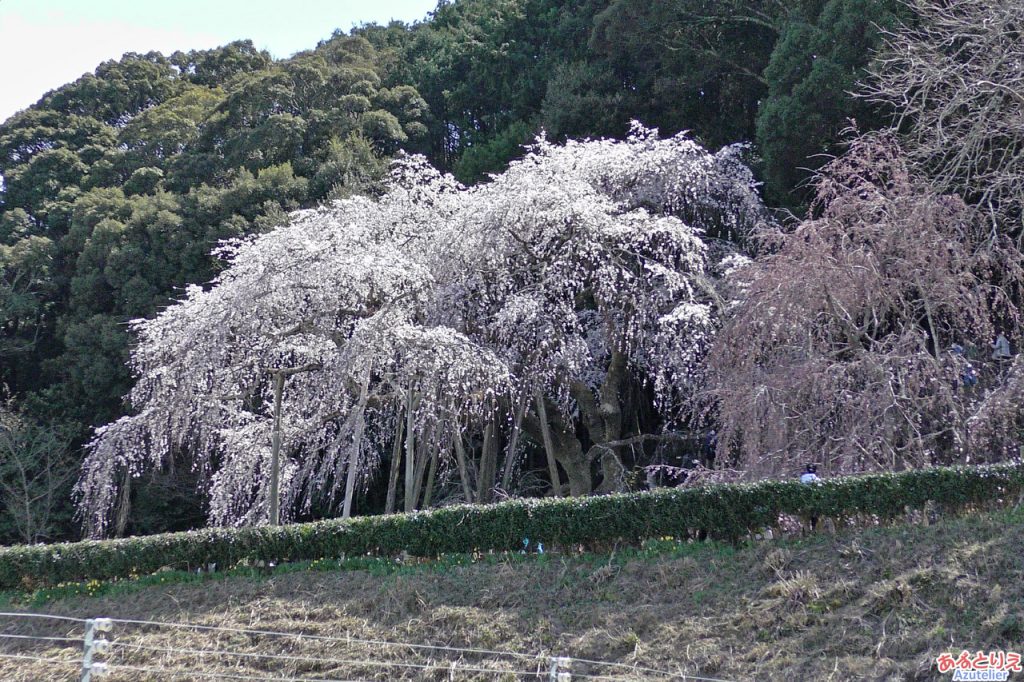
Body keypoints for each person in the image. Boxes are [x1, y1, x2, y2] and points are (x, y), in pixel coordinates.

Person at [800, 464, 820, 530]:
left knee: (805, 519)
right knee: (814, 518)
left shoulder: (802, 478)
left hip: (803, 501)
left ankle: (805, 532)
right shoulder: (817, 480)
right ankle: (813, 531)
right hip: (815, 502)